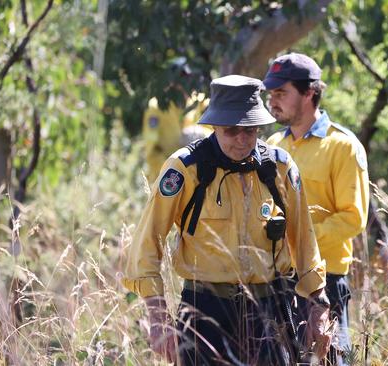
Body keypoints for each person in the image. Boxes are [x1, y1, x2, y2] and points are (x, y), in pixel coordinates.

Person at [122, 75, 332, 365]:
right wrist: (158, 318)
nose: (242, 139)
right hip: (204, 311)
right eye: (232, 130)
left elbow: (305, 243)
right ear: (215, 125)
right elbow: (147, 243)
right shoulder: (185, 169)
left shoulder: (280, 168)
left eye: (250, 129)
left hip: (269, 311)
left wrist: (318, 305)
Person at [264, 53, 370, 365]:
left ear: (310, 92)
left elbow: (354, 218)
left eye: (281, 93)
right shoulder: (272, 145)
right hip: (278, 281)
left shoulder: (343, 146)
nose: (273, 101)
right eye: (271, 94)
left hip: (325, 282)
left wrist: (300, 241)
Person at [142, 93, 211, 182]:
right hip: (165, 178)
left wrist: (201, 134)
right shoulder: (155, 107)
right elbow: (151, 151)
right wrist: (174, 168)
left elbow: (217, 133)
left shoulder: (199, 100)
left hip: (197, 175)